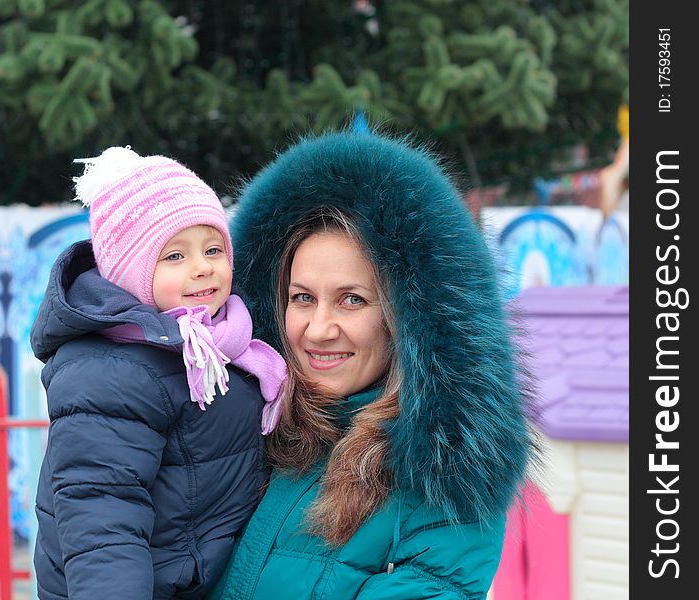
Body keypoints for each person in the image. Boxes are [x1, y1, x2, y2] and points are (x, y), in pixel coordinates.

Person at [209, 131, 536, 599]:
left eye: (351, 300)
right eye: (302, 298)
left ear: (406, 318)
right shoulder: (236, 436)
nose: (318, 329)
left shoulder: (439, 481)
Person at [30, 147, 286, 600]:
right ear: (131, 274)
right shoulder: (110, 368)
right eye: (174, 257)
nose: (202, 266)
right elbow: (101, 515)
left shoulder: (226, 343)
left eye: (212, 249)